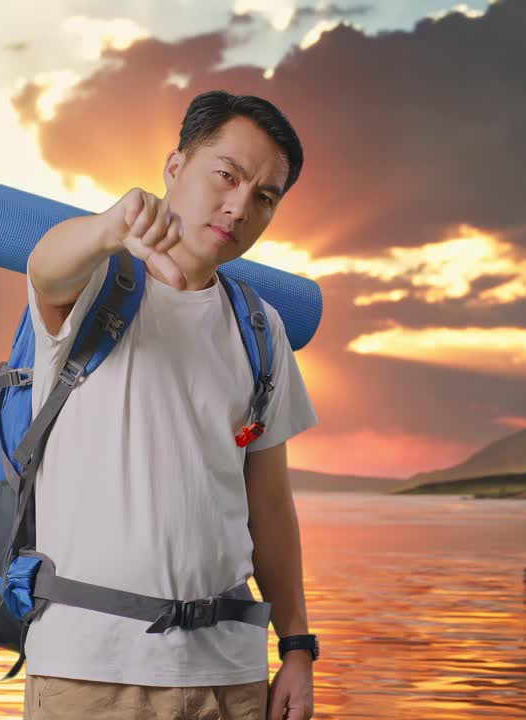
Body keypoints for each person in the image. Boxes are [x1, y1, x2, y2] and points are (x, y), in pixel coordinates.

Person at [22, 89, 319, 720]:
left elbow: (270, 505)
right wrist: (109, 228)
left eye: (264, 197)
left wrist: (296, 646)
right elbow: (45, 269)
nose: (240, 206)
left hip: (230, 676)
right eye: (227, 175)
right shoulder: (95, 283)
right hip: (91, 671)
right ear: (176, 166)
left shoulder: (261, 328)